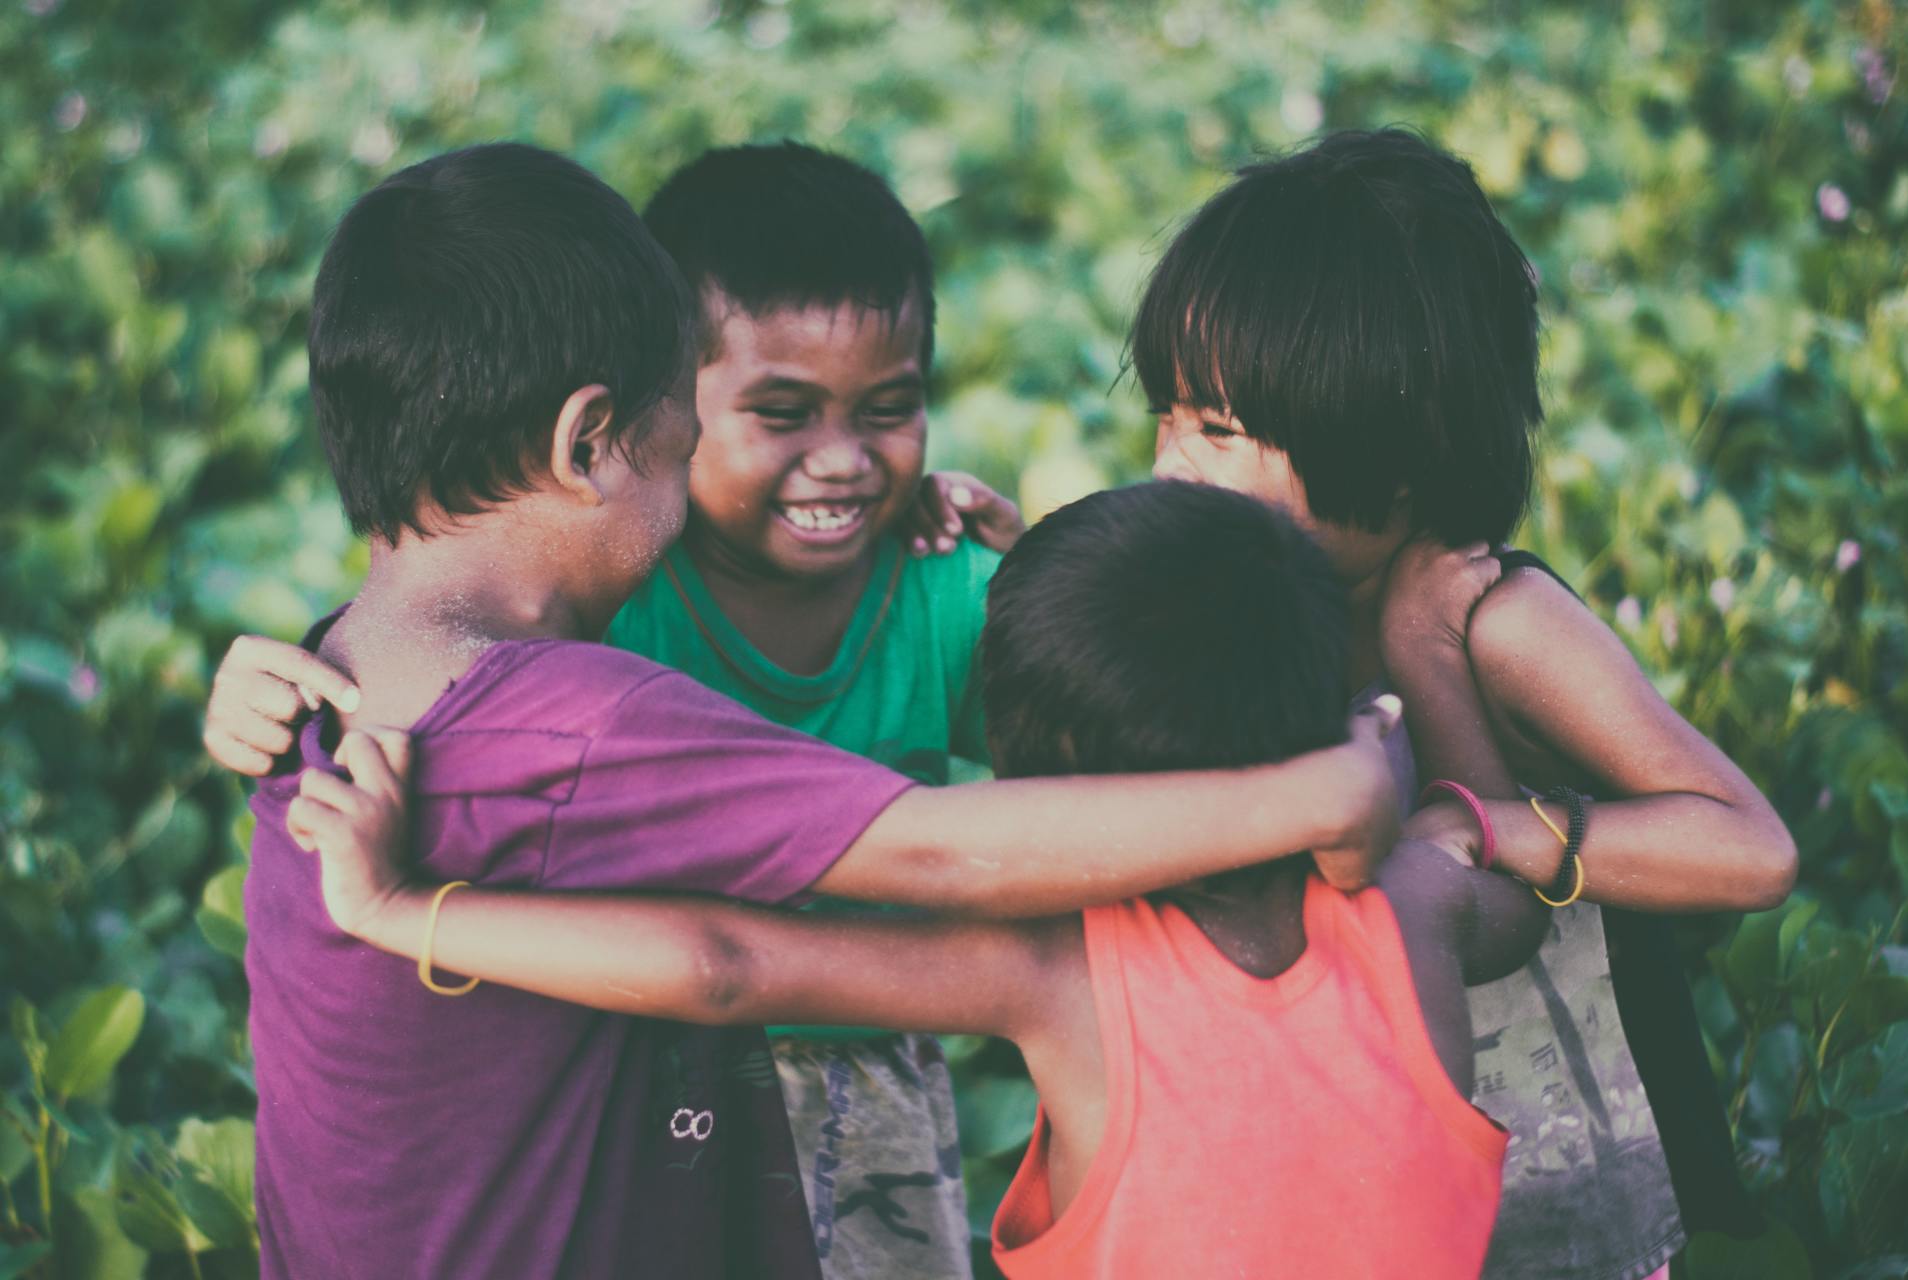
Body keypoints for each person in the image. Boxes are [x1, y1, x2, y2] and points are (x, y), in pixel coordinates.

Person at [239, 140, 1407, 1280]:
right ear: (589, 440)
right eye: (680, 424)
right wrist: (1317, 791)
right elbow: (933, 852)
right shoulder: (576, 721)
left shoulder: (327, 680)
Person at [286, 480, 1549, 1280]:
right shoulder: (1420, 903)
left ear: (1040, 775)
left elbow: (725, 964)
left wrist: (403, 910)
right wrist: (1409, 690)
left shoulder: (1058, 971)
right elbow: (1496, 860)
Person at [209, 139, 1021, 1279]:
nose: (840, 462)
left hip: (851, 1055)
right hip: (679, 1057)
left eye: (887, 410)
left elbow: (1087, 726)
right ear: (605, 435)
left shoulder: (941, 585)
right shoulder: (603, 616)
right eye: (775, 414)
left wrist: (1050, 574)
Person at [1127, 128, 1798, 1278]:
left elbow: (1749, 852)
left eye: (1219, 430)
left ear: (1394, 471)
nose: (1170, 463)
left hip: (1587, 1166)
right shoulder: (1240, 603)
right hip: (1374, 1168)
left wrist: (1495, 812)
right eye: (1172, 414)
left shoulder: (1503, 622)